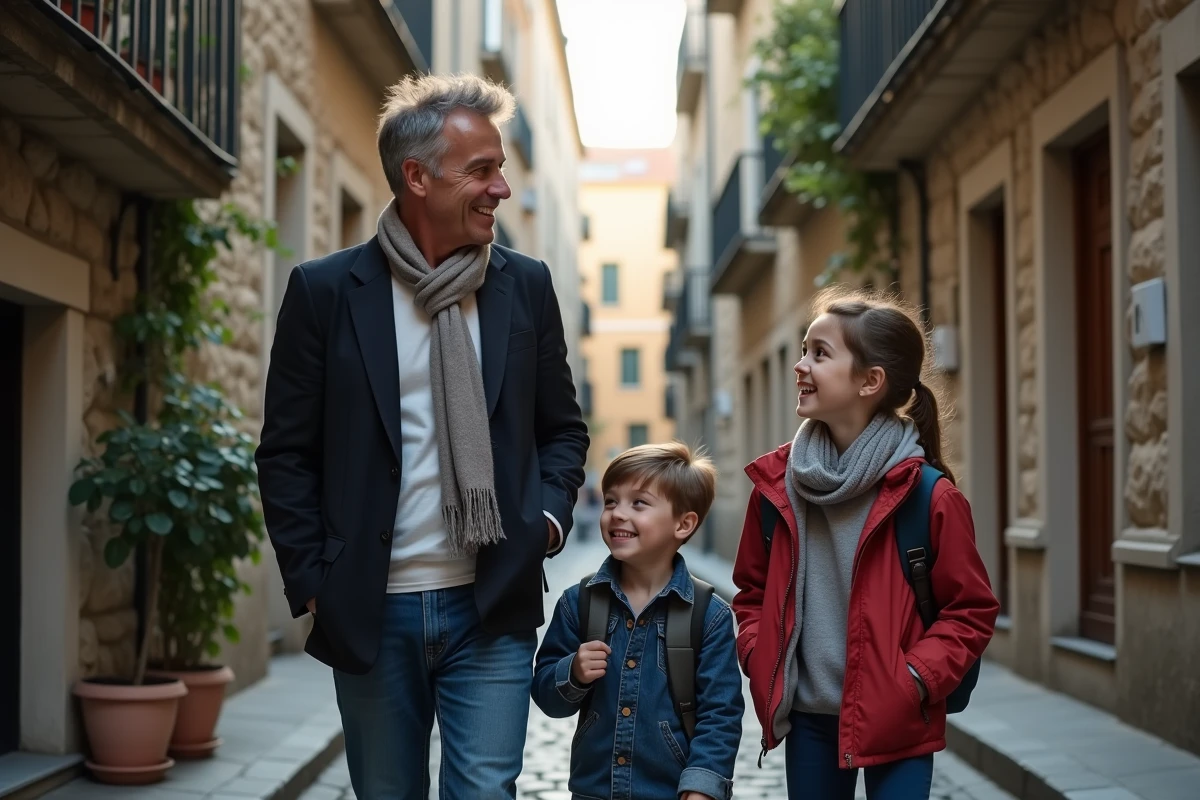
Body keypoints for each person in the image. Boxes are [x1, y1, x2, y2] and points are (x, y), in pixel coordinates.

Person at [255, 74, 589, 799]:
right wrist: (313, 582)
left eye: (500, 168)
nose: (500, 188)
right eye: (482, 170)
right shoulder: (325, 293)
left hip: (490, 605)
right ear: (417, 177)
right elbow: (285, 453)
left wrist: (549, 524)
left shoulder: (524, 286)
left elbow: (561, 429)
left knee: (485, 792)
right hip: (372, 608)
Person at [731, 287, 999, 800]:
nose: (800, 365)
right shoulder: (775, 488)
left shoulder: (929, 496)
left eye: (820, 353)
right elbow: (751, 590)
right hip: (809, 719)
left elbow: (971, 610)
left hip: (898, 718)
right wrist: (759, 651)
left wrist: (914, 680)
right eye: (804, 349)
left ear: (869, 381)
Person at [531, 442, 743, 800]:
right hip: (594, 791)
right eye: (611, 501)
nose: (617, 513)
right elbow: (546, 696)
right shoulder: (578, 602)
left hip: (670, 792)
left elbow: (720, 715)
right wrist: (573, 672)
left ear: (683, 523)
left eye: (638, 503)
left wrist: (702, 787)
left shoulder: (709, 615)